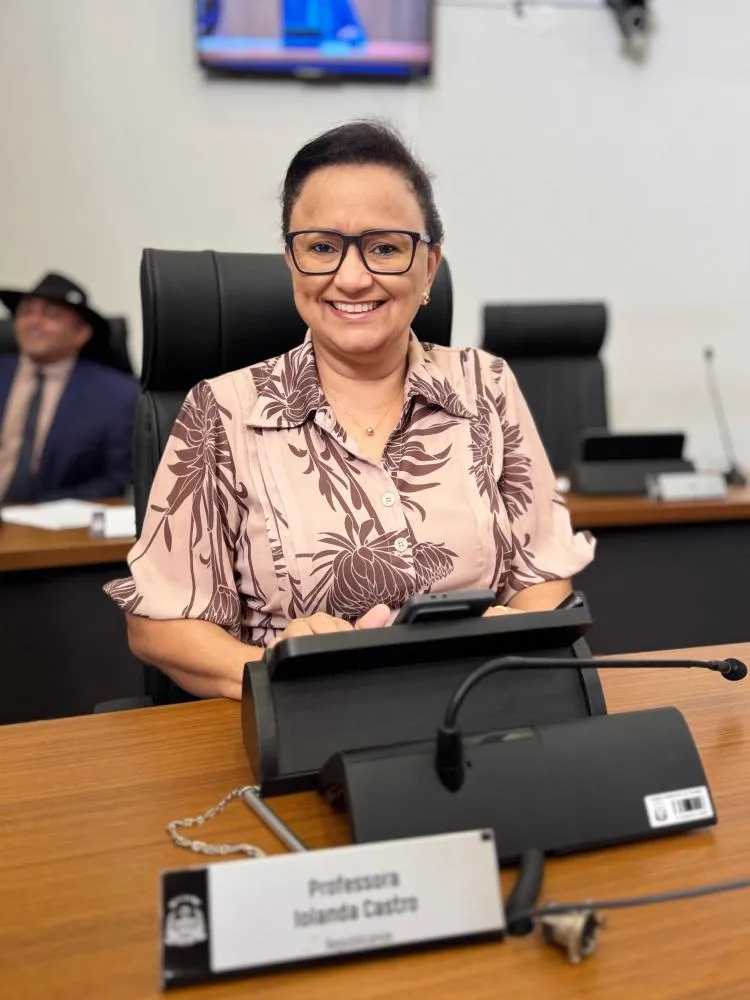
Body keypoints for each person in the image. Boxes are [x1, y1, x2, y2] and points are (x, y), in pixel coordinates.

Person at [106, 121, 594, 700]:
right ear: (291, 262)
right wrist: (282, 667)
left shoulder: (484, 385)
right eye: (321, 248)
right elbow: (159, 624)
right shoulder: (223, 411)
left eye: (385, 247)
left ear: (429, 266)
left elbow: (543, 571)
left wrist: (506, 640)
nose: (353, 278)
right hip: (305, 718)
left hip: (476, 708)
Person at [0, 272, 138, 503]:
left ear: (82, 333)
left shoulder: (118, 395)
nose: (34, 322)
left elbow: (118, 480)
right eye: (25, 312)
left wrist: (37, 511)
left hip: (57, 519)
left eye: (51, 314)